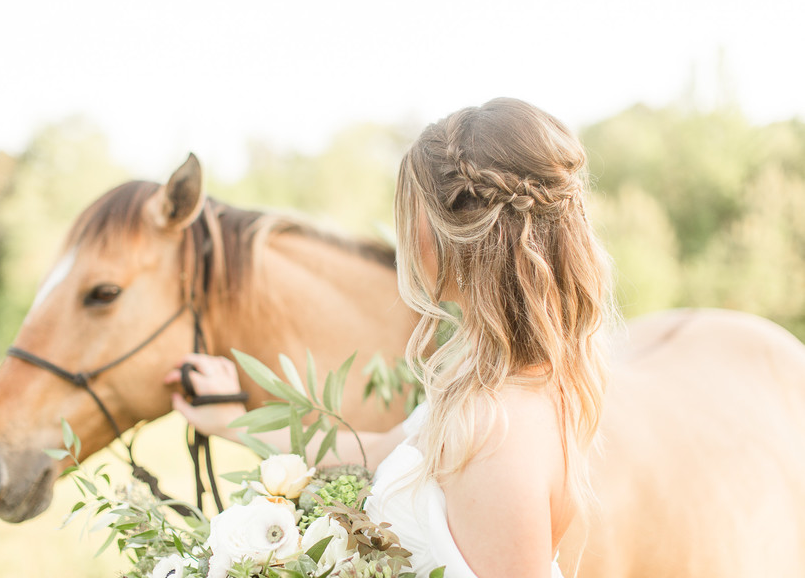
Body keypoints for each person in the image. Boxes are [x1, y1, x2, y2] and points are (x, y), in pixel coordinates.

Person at [167, 97, 615, 578]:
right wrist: (236, 422)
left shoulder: (496, 430)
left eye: (413, 208)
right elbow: (375, 449)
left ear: (451, 228)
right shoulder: (491, 387)